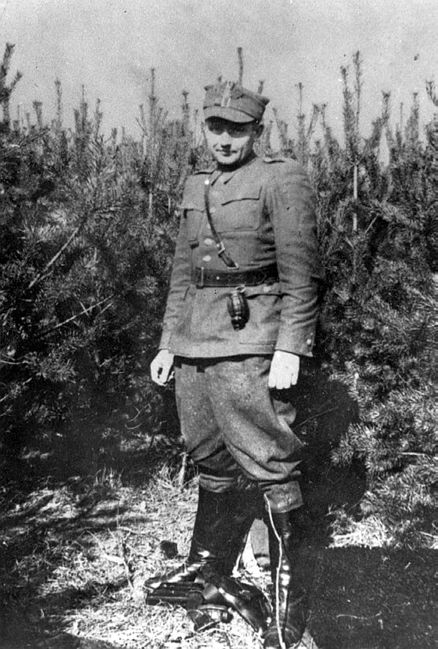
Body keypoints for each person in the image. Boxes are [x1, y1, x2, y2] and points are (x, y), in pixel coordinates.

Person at [148, 80, 321, 649]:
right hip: (195, 340)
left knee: (269, 459)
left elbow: (302, 273)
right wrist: (168, 342)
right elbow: (183, 273)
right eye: (215, 127)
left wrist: (291, 347)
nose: (224, 139)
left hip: (251, 340)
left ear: (257, 131)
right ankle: (208, 572)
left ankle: (288, 598)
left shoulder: (280, 177)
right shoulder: (197, 184)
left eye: (237, 130)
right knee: (209, 455)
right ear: (205, 128)